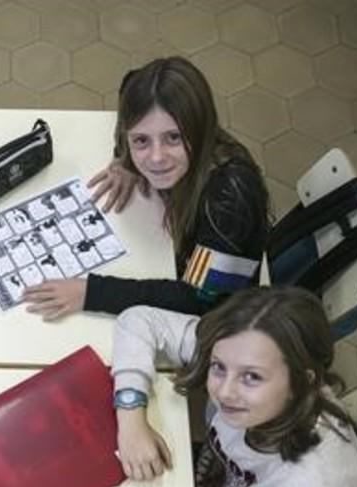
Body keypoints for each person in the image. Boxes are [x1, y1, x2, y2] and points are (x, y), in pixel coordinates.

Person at [109, 286, 357, 487]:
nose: (224, 392)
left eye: (252, 378)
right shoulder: (241, 350)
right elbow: (139, 320)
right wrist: (131, 415)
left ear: (303, 381)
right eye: (218, 367)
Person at [23, 57, 270, 321]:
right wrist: (127, 162)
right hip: (175, 246)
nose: (155, 158)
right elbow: (129, 83)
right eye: (141, 140)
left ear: (200, 125)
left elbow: (199, 299)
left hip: (220, 304)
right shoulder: (150, 134)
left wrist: (92, 292)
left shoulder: (230, 194)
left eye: (173, 137)